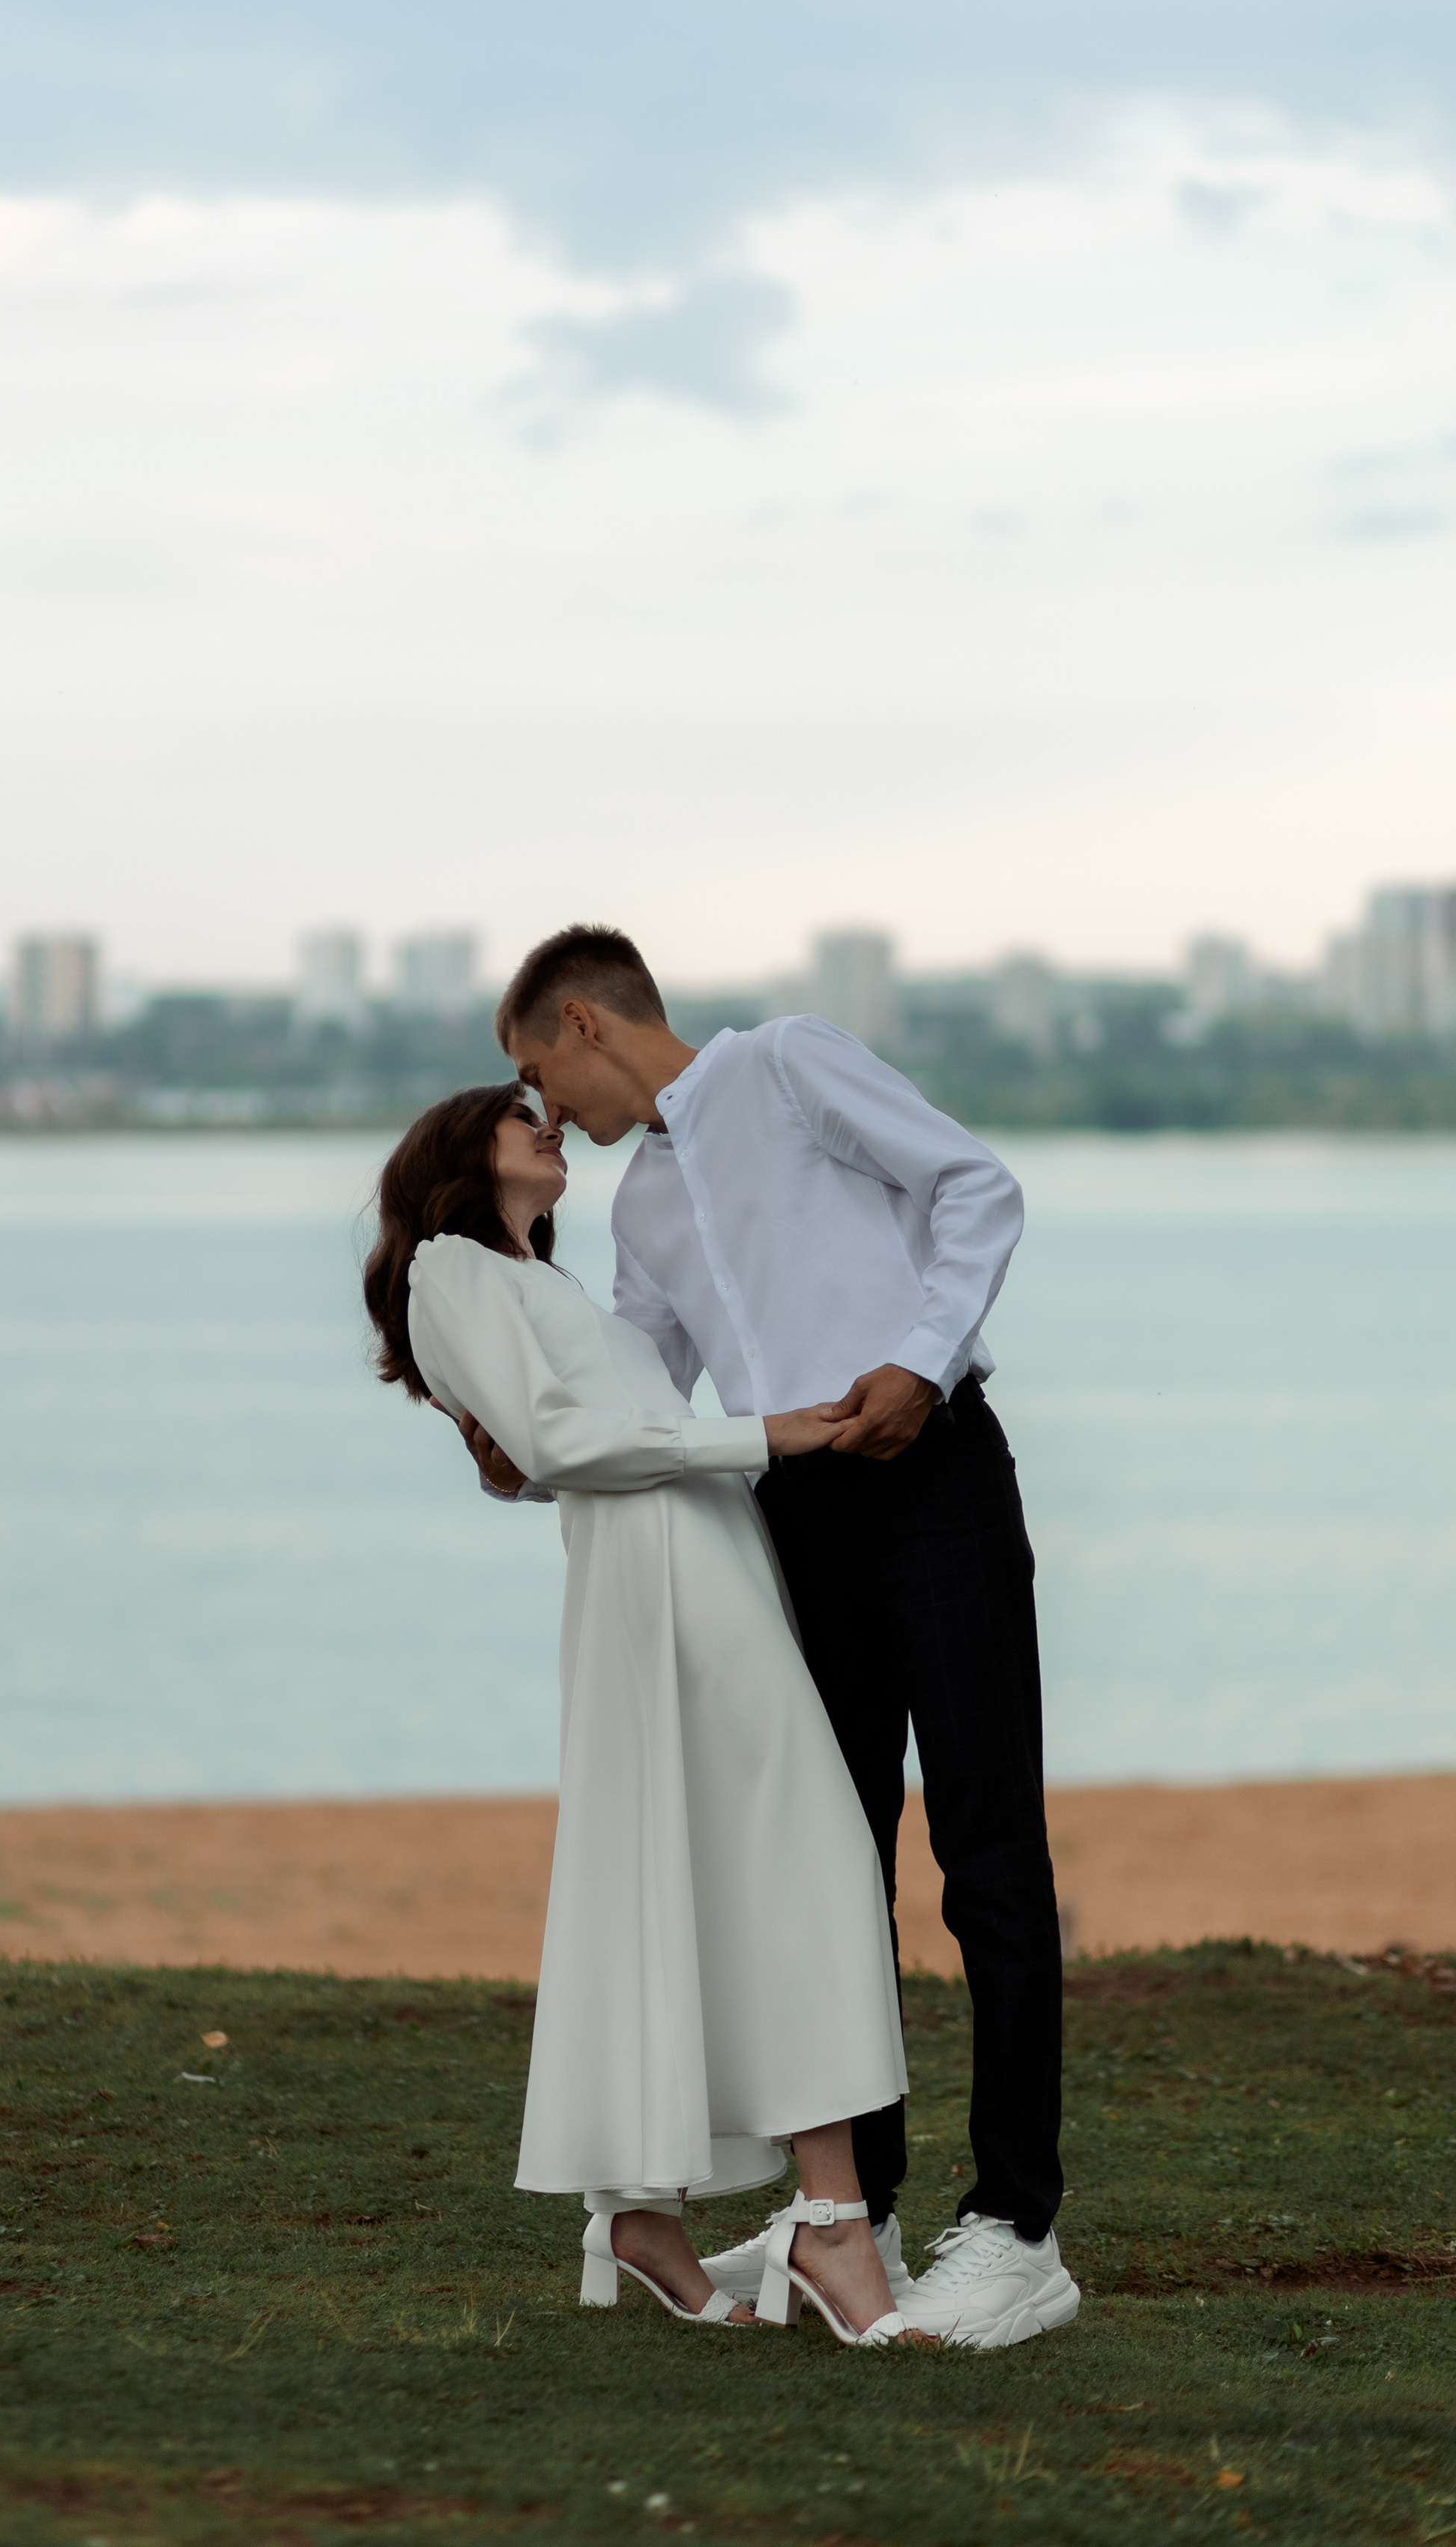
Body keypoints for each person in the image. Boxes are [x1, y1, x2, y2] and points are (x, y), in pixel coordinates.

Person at [464, 925, 1078, 2352]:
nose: (543, 1104)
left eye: (533, 1067)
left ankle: (1021, 2229)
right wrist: (528, 1453)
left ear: (585, 1021)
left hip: (932, 1481)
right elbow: (640, 1394)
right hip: (791, 1519)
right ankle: (850, 2209)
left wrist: (919, 1365)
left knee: (988, 1854)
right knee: (834, 1866)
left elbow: (975, 1188)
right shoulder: (645, 1213)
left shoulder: (790, 1066)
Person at [363, 1080, 913, 2342]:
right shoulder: (450, 1268)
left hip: (697, 1565)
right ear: (458, 1155)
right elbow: (569, 1447)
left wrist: (716, 1445)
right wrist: (760, 1437)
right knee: (803, 1853)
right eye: (519, 1114)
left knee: (710, 1864)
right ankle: (830, 2222)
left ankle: (644, 2209)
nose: (547, 1121)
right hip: (663, 1581)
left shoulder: (540, 1282)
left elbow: (563, 1448)